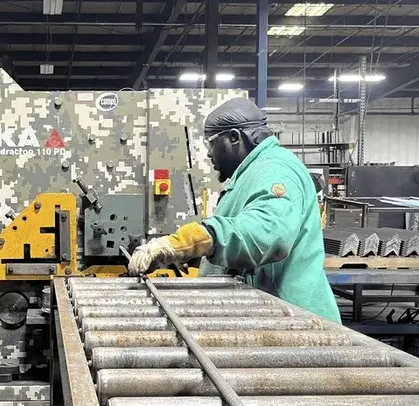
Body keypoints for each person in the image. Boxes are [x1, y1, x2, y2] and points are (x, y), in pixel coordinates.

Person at [128, 97, 340, 322]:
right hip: (272, 316)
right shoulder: (253, 171)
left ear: (234, 137)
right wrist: (186, 256)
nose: (209, 153)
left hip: (296, 323)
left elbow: (267, 232)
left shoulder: (274, 170)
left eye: (211, 143)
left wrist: (194, 239)